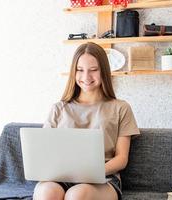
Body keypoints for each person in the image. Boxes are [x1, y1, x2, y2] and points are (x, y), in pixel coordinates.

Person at [33, 42, 140, 200]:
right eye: (80, 70)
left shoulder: (121, 108)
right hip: (61, 177)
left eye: (94, 70)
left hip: (103, 179)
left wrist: (89, 174)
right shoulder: (58, 108)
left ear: (103, 71)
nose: (86, 77)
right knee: (47, 192)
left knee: (77, 195)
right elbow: (45, 154)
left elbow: (121, 159)